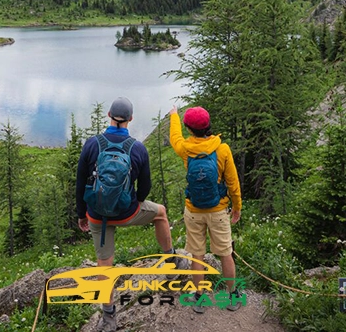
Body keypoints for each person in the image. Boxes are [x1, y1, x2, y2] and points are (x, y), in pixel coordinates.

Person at [77, 97, 180, 331]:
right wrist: (134, 202)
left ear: (109, 115)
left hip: (97, 216)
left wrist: (81, 214)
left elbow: (80, 182)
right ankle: (170, 259)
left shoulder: (92, 144)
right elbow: (145, 188)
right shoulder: (137, 148)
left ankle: (109, 317)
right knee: (161, 213)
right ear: (131, 119)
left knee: (104, 264)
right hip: (127, 212)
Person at [169, 105, 244, 313]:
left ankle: (200, 297)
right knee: (225, 253)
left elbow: (175, 137)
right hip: (218, 211)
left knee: (197, 255)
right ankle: (232, 295)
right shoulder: (222, 149)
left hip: (193, 211)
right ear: (209, 125)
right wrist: (236, 207)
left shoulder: (185, 149)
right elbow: (233, 182)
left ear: (190, 129)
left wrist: (174, 116)